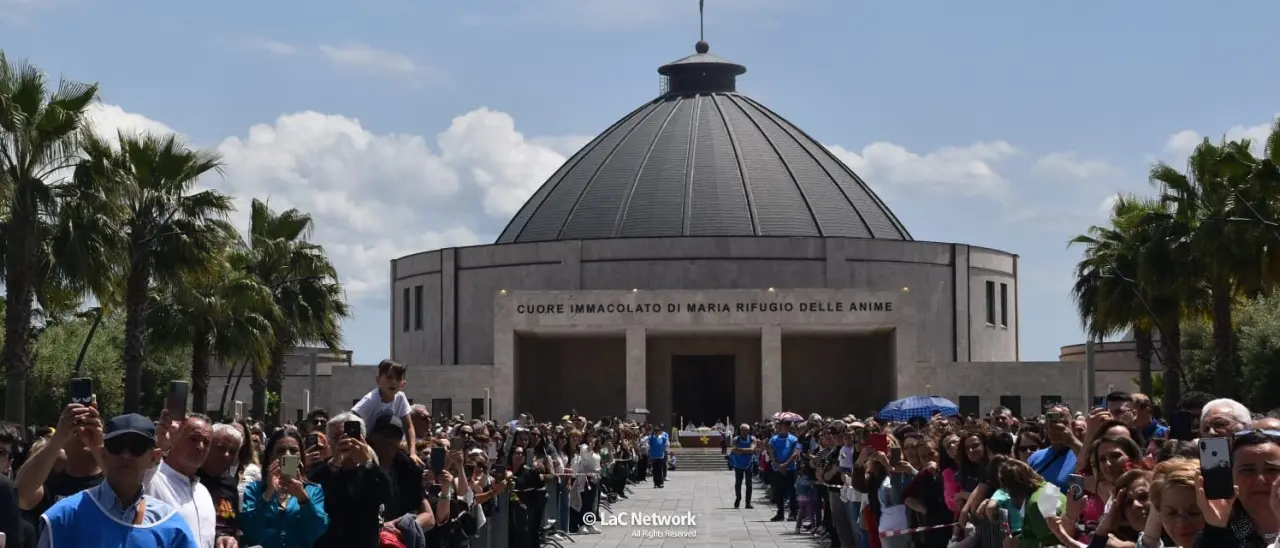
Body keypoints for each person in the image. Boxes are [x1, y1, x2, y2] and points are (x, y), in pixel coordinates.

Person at [38, 413, 199, 548]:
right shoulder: (64, 517)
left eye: (137, 447)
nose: (125, 455)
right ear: (102, 454)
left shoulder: (171, 525)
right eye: (116, 446)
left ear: (154, 458)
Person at [239, 429, 328, 548]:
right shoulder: (254, 489)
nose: (287, 454)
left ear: (301, 456)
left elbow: (316, 531)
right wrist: (268, 494)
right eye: (281, 451)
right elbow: (250, 530)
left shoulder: (313, 490)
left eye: (293, 450)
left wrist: (303, 498)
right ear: (271, 456)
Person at [352, 359, 420, 466]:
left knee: (410, 465)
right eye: (389, 377)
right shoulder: (370, 400)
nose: (393, 382)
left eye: (397, 379)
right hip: (372, 445)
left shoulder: (401, 398)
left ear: (403, 384)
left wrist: (412, 452)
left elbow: (408, 426)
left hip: (392, 445)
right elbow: (351, 418)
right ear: (378, 380)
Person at [729, 423, 756, 509]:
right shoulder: (736, 439)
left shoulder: (752, 439)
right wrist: (746, 451)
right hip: (738, 464)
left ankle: (748, 502)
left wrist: (740, 450)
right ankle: (738, 498)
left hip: (749, 464)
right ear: (740, 430)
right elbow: (734, 450)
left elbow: (752, 449)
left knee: (749, 483)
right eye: (743, 430)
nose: (745, 432)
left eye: (746, 430)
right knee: (738, 483)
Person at [647, 424, 669, 489]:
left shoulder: (663, 438)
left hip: (660, 456)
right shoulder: (651, 438)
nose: (656, 432)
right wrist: (649, 454)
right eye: (655, 431)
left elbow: (667, 445)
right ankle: (656, 483)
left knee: (660, 470)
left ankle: (661, 483)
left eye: (657, 430)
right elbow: (648, 445)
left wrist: (665, 451)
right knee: (655, 471)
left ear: (659, 431)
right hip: (653, 456)